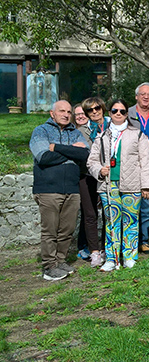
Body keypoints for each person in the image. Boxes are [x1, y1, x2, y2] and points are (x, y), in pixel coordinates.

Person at [87, 100, 149, 271]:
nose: (118, 113)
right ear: (109, 112)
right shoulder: (102, 136)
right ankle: (112, 258)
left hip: (132, 184)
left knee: (131, 220)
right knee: (111, 222)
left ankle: (130, 256)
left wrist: (147, 185)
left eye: (122, 111)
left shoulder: (138, 135)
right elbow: (91, 161)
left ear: (126, 114)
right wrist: (99, 170)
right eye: (115, 110)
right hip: (109, 185)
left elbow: (146, 161)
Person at [30, 100, 89, 281]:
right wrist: (72, 151)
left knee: (67, 229)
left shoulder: (75, 132)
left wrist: (56, 147)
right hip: (48, 189)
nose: (66, 114)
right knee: (50, 230)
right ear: (52, 113)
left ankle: (61, 260)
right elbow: (44, 157)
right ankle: (49, 266)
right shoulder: (41, 131)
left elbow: (84, 155)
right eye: (61, 111)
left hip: (72, 188)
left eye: (69, 112)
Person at [128, 82, 149, 255]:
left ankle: (143, 241)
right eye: (142, 94)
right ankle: (130, 241)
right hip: (132, 170)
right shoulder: (127, 114)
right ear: (136, 96)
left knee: (147, 208)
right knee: (131, 208)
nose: (146, 97)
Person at [72, 103, 103, 267]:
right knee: (89, 213)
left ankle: (104, 247)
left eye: (82, 113)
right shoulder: (75, 132)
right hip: (85, 175)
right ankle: (87, 247)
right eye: (77, 115)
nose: (81, 116)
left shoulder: (98, 128)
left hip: (102, 175)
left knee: (102, 213)